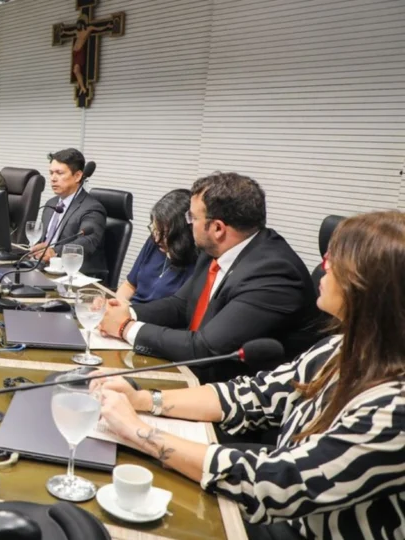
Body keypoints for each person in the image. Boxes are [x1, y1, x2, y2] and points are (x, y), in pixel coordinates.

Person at [93, 210, 405, 540]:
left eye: (333, 259)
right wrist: (144, 398)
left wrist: (139, 433)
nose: (323, 267)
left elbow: (279, 483)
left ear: (370, 285)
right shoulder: (339, 348)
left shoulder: (395, 409)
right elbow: (251, 395)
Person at [98, 171, 320, 383]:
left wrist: (126, 327)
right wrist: (125, 312)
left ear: (217, 228)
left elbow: (205, 347)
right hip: (196, 372)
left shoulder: (274, 273)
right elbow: (179, 305)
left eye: (192, 217)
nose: (188, 223)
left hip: (235, 394)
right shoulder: (216, 250)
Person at [28, 148, 107, 280]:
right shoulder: (51, 204)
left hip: (74, 274)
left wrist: (55, 251)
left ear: (77, 176)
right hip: (44, 269)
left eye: (59, 173)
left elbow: (87, 241)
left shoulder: (92, 208)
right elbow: (44, 241)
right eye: (51, 173)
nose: (53, 179)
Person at [116, 189, 196, 304]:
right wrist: (118, 305)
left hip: (153, 320)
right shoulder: (154, 241)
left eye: (165, 234)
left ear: (183, 235)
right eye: (155, 230)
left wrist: (131, 314)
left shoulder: (197, 265)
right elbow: (129, 285)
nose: (157, 239)